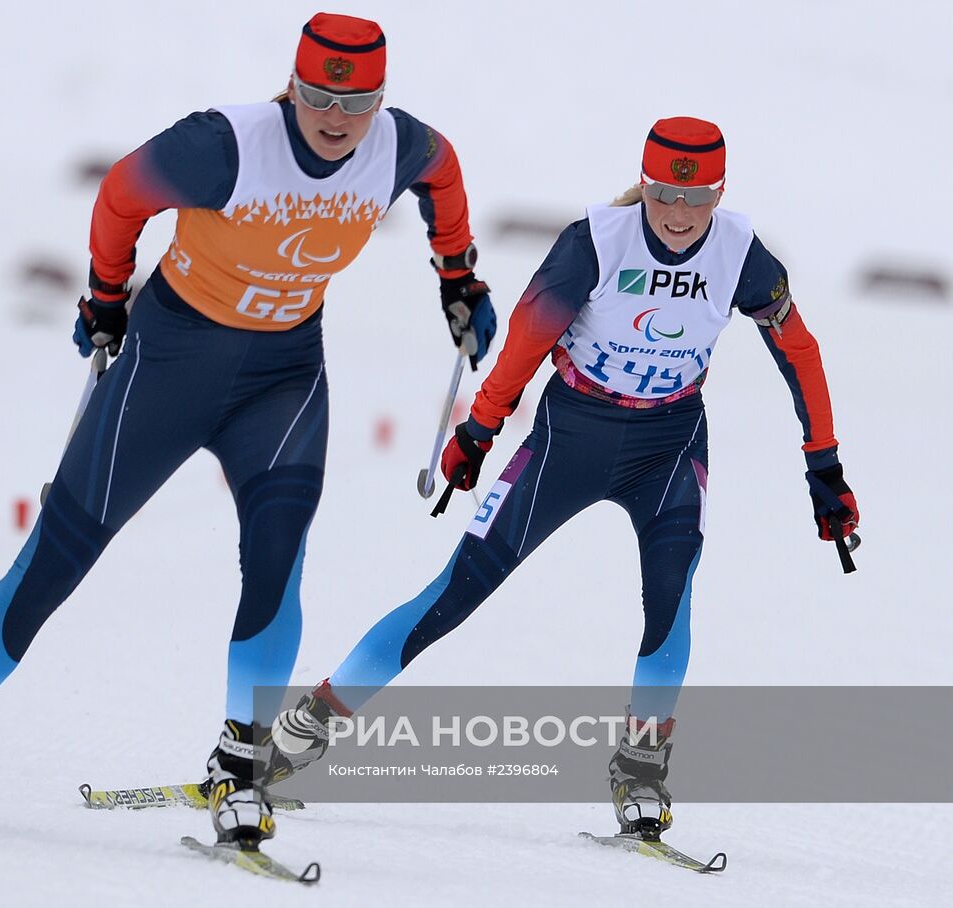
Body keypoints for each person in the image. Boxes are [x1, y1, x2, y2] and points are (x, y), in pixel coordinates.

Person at [0, 12, 497, 850]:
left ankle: (241, 761)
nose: (337, 117)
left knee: (276, 563)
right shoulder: (224, 145)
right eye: (321, 95)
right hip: (168, 365)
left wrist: (459, 276)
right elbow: (121, 193)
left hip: (284, 379)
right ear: (292, 86)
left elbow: (446, 175)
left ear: (380, 99)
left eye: (358, 100)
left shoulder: (400, 146)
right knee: (58, 558)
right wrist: (105, 297)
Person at [270, 116, 861, 839]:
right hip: (569, 439)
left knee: (670, 601)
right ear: (643, 185)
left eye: (698, 199)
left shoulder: (742, 253)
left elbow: (799, 350)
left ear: (719, 193)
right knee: (456, 592)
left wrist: (823, 463)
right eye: (663, 197)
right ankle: (303, 729)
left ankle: (641, 772)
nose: (679, 216)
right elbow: (528, 335)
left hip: (669, 446)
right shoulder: (595, 241)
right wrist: (480, 428)